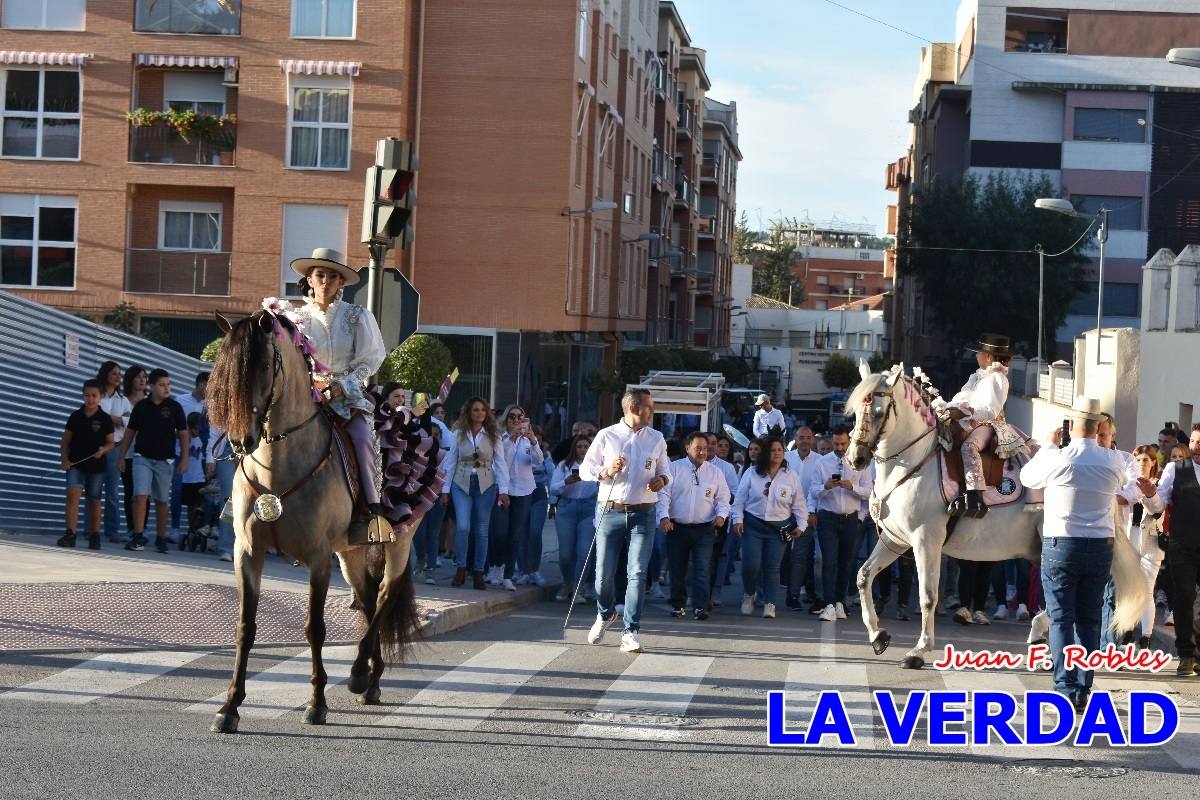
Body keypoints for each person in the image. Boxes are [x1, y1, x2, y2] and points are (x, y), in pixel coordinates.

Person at [1019, 396, 1132, 709]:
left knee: (1061, 619)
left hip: (1062, 544)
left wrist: (1049, 446)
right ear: (1098, 428)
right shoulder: (1112, 460)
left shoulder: (1059, 457)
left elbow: (1028, 478)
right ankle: (1083, 687)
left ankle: (1065, 687)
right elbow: (1123, 481)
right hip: (1100, 545)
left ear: (1071, 425)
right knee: (1089, 618)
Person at [289, 248, 387, 545]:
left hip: (348, 399)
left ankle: (369, 513)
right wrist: (311, 385)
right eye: (321, 275)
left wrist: (343, 385)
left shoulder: (358, 316)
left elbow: (370, 359)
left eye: (334, 276)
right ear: (309, 279)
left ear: (342, 283)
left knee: (360, 438)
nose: (327, 281)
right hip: (306, 398)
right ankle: (250, 504)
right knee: (270, 434)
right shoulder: (294, 319)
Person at [580, 388, 671, 654]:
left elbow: (666, 471)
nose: (653, 412)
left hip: (644, 512)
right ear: (633, 408)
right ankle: (605, 613)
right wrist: (606, 471)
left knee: (637, 573)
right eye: (649, 407)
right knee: (603, 575)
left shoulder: (656, 438)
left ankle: (631, 631)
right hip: (610, 510)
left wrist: (662, 480)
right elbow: (585, 469)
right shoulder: (606, 435)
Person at [938, 334, 1023, 518]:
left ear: (989, 357)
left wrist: (966, 413)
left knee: (970, 447)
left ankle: (975, 495)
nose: (976, 356)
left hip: (990, 425)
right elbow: (961, 397)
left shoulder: (998, 379)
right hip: (971, 421)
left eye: (979, 353)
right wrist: (948, 408)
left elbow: (991, 411)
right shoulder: (977, 377)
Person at [1142, 423, 1200, 676]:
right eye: (1195, 442)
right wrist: (1149, 494)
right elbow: (1158, 505)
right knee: (1184, 598)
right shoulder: (1175, 470)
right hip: (1182, 545)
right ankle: (1186, 654)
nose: (1197, 447)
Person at [731, 437, 808, 619]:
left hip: (778, 528)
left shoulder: (791, 476)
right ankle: (749, 594)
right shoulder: (752, 472)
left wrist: (802, 525)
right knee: (751, 565)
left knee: (772, 567)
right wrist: (737, 519)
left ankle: (770, 603)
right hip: (753, 525)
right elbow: (739, 500)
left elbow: (799, 504)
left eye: (780, 450)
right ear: (766, 452)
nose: (777, 453)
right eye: (773, 450)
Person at [658, 432, 730, 620]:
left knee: (702, 568)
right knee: (677, 568)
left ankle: (700, 607)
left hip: (704, 528)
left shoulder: (715, 472)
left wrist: (721, 516)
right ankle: (678, 605)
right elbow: (664, 495)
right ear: (687, 448)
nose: (702, 452)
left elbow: (723, 498)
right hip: (677, 527)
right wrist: (664, 517)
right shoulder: (673, 469)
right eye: (698, 448)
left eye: (705, 449)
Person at [440, 397, 509, 589]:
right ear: (468, 413)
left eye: (482, 410)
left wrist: (504, 490)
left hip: (486, 484)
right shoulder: (459, 433)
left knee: (481, 530)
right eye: (475, 410)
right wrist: (445, 490)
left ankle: (478, 570)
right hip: (461, 483)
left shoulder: (494, 434)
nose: (479, 413)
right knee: (463, 527)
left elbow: (501, 463)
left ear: (487, 413)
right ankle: (461, 567)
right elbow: (451, 461)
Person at [808, 424, 874, 621]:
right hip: (828, 517)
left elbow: (869, 492)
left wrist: (851, 487)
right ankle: (829, 604)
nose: (839, 448)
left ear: (850, 442)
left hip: (851, 519)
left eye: (843, 444)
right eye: (835, 444)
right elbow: (813, 491)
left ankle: (839, 602)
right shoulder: (822, 463)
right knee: (828, 562)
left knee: (846, 563)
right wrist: (826, 487)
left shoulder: (861, 462)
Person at [119, 368, 189, 553]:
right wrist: (122, 456)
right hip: (142, 458)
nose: (166, 388)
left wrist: (184, 459)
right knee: (140, 496)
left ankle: (160, 537)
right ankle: (138, 535)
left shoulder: (175, 408)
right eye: (162, 385)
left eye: (168, 384)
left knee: (162, 501)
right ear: (152, 386)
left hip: (165, 461)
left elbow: (183, 434)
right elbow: (129, 433)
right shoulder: (142, 407)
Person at [489, 405, 542, 591]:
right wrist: (511, 439)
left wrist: (533, 440)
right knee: (499, 532)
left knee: (515, 534)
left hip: (524, 489)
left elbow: (539, 460)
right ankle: (497, 565)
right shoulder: (500, 438)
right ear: (506, 419)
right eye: (512, 416)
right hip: (503, 489)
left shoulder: (528, 440)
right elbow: (503, 462)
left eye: (520, 416)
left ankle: (508, 575)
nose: (516, 420)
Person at [57, 379, 116, 549]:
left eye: (94, 396)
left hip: (96, 466)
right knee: (72, 493)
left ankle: (95, 535)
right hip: (75, 463)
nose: (90, 399)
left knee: (94, 499)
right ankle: (70, 533)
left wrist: (103, 450)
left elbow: (111, 442)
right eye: (87, 396)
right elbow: (65, 441)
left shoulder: (104, 419)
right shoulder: (75, 416)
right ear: (83, 396)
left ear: (101, 397)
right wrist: (64, 460)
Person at [551, 433, 598, 603]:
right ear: (574, 449)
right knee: (565, 553)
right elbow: (553, 489)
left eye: (586, 446)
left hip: (589, 508)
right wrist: (566, 481)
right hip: (567, 508)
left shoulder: (596, 466)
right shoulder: (564, 465)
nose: (583, 450)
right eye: (579, 446)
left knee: (584, 551)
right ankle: (567, 584)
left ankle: (579, 588)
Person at [783, 427, 821, 611]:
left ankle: (794, 595)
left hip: (807, 514)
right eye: (801, 437)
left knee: (801, 555)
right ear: (795, 439)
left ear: (813, 440)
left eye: (808, 437)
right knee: (777, 555)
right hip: (782, 513)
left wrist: (811, 512)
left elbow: (817, 489)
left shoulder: (820, 461)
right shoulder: (786, 458)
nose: (805, 441)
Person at [95, 360, 131, 544]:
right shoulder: (97, 396)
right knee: (93, 490)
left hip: (115, 449)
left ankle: (113, 530)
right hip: (95, 448)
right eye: (114, 373)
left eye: (119, 374)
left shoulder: (123, 400)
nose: (118, 377)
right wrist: (113, 419)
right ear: (105, 375)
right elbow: (93, 417)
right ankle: (91, 530)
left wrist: (110, 419)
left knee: (112, 492)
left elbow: (129, 423)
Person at [171, 372, 209, 538]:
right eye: (208, 384)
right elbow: (172, 426)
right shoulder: (180, 401)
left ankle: (194, 529)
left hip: (201, 457)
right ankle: (174, 528)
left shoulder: (211, 406)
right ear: (201, 384)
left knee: (198, 495)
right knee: (177, 491)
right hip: (180, 454)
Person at [120, 365, 148, 537]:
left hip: (146, 453)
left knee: (145, 494)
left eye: (144, 377)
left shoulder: (150, 402)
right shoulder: (123, 401)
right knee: (130, 491)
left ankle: (141, 530)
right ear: (130, 380)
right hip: (128, 453)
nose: (142, 380)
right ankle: (131, 528)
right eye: (138, 377)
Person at [179, 411, 208, 548]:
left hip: (199, 478)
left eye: (198, 429)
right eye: (194, 429)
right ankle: (191, 528)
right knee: (190, 506)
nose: (196, 431)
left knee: (199, 505)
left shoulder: (202, 440)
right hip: (187, 479)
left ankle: (198, 528)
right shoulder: (185, 439)